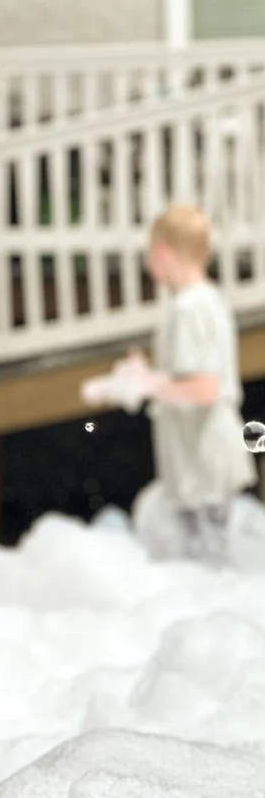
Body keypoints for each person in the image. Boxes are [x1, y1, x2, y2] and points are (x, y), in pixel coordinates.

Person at [82, 204, 256, 560]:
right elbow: (191, 376)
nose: (148, 264)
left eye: (149, 253)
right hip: (203, 461)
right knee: (208, 551)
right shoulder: (207, 300)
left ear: (162, 251)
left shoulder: (188, 308)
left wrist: (146, 385)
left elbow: (204, 388)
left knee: (208, 554)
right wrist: (147, 374)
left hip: (201, 462)